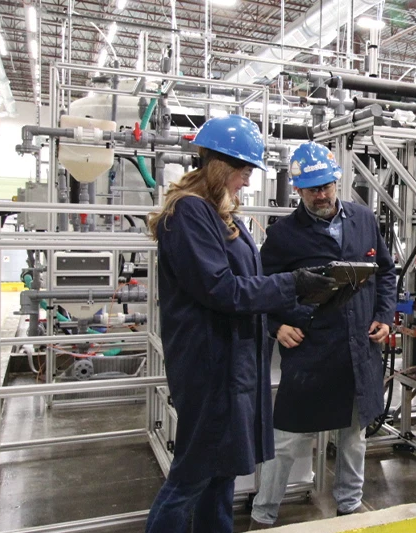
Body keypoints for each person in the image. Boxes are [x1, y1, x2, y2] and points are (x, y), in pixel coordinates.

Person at [145, 115, 336, 533]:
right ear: (220, 166)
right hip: (209, 366)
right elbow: (223, 290)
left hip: (232, 363)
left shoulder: (216, 213)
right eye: (244, 171)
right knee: (192, 477)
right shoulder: (190, 213)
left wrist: (301, 299)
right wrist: (292, 284)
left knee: (221, 474)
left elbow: (247, 281)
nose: (246, 182)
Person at [249, 142, 397, 529]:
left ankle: (350, 508)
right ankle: (263, 515)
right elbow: (259, 290)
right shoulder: (284, 236)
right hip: (311, 354)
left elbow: (384, 271)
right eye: (313, 188)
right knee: (285, 443)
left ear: (336, 181)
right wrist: (275, 325)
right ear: (297, 190)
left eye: (327, 185)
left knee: (353, 437)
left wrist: (384, 314)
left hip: (357, 350)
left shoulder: (364, 219)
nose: (322, 194)